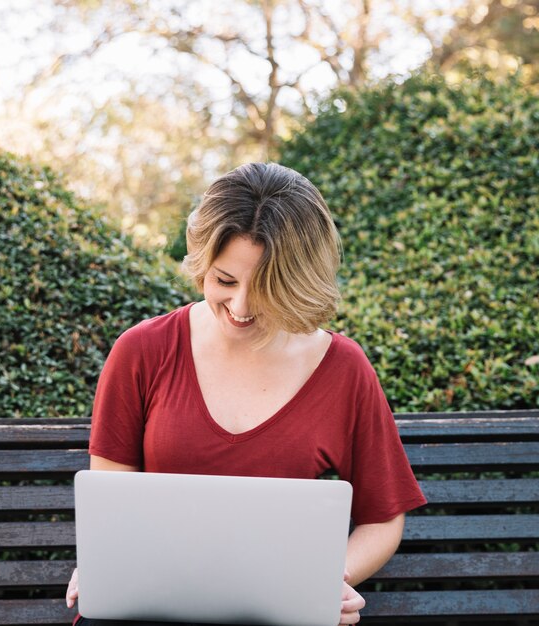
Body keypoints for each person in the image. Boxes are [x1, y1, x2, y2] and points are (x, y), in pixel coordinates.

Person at [66, 162, 427, 625]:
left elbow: (381, 519)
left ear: (300, 282)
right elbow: (111, 504)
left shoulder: (344, 369)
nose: (240, 308)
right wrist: (106, 563)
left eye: (267, 289)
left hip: (279, 616)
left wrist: (323, 585)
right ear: (202, 265)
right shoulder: (143, 350)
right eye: (224, 281)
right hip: (150, 612)